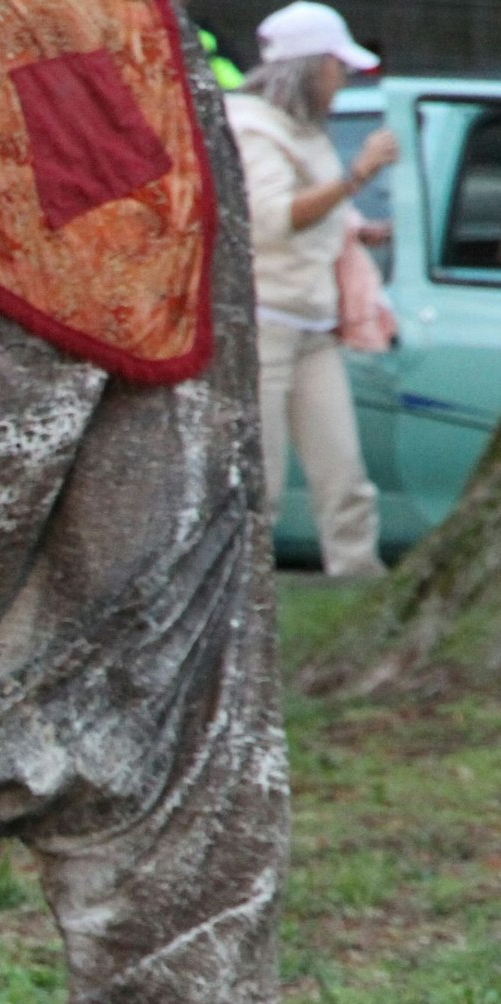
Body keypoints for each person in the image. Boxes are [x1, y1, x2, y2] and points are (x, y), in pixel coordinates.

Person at [226, 1, 399, 577]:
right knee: (263, 482)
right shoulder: (251, 127)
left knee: (345, 477)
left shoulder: (305, 130)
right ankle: (243, 597)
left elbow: (312, 213)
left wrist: (356, 228)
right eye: (338, 66)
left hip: (314, 324)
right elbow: (272, 218)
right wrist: (360, 175)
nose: (343, 79)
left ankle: (358, 588)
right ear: (311, 68)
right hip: (266, 322)